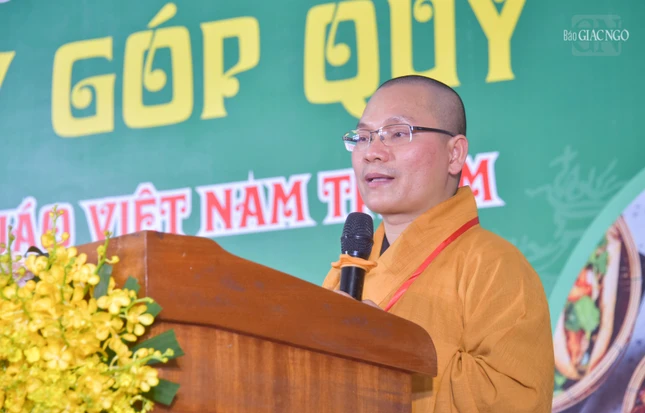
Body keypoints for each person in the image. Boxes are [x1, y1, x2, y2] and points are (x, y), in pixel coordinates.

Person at [322, 75, 555, 412]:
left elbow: (512, 399)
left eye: (397, 133)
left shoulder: (494, 266)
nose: (371, 152)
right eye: (363, 137)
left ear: (454, 154)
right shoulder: (345, 273)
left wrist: (391, 348)